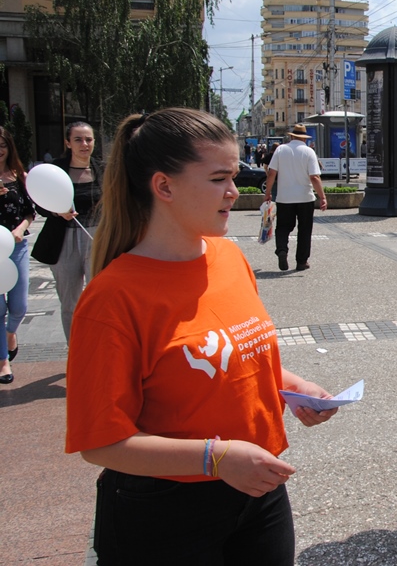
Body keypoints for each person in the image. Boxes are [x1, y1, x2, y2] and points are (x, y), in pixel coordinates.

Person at [64, 107, 338, 565]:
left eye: (233, 176)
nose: (234, 192)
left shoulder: (228, 257)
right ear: (164, 186)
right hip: (161, 511)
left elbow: (234, 356)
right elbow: (100, 442)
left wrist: (291, 386)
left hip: (256, 494)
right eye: (218, 179)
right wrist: (216, 457)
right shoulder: (113, 298)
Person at [31, 121, 102, 341]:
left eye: (88, 139)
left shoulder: (104, 169)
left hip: (97, 237)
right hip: (63, 241)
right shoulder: (55, 170)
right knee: (70, 302)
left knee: (99, 297)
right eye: (78, 139)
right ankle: (75, 351)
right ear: (68, 143)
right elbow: (39, 203)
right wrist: (57, 212)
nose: (84, 144)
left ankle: (98, 347)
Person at [264, 125, 326, 271]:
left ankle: (282, 250)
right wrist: (322, 197)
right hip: (305, 197)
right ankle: (301, 261)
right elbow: (315, 177)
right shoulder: (309, 152)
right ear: (304, 138)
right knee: (304, 229)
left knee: (283, 227)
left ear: (291, 136)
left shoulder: (280, 150)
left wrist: (267, 193)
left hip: (284, 198)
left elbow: (272, 173)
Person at [0, 128, 34, 384]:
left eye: (3, 144)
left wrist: (21, 229)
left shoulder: (20, 177)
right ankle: (3, 362)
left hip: (17, 246)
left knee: (19, 306)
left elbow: (30, 211)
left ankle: (11, 333)